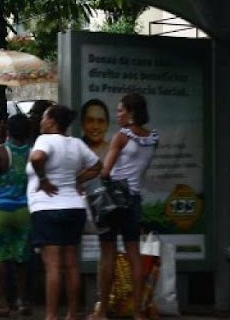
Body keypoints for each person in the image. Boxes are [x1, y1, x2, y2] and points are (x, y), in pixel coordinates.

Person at [88, 93, 159, 320]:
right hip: (134, 199)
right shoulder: (152, 138)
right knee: (134, 254)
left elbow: (106, 171)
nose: (117, 114)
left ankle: (103, 312)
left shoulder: (121, 136)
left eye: (120, 110)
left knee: (107, 253)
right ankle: (138, 311)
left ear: (131, 112)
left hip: (112, 199)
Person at [27, 104, 102, 320]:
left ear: (51, 121)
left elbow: (37, 158)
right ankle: (72, 314)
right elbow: (98, 166)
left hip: (47, 208)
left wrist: (43, 179)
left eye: (43, 118)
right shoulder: (77, 144)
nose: (41, 122)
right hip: (74, 207)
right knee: (71, 265)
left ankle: (51, 316)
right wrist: (76, 180)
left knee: (52, 266)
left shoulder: (44, 140)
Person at [0, 114, 32, 317]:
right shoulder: (32, 152)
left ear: (8, 131)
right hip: (23, 210)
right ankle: (22, 301)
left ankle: (2, 303)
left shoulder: (1, 152)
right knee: (21, 258)